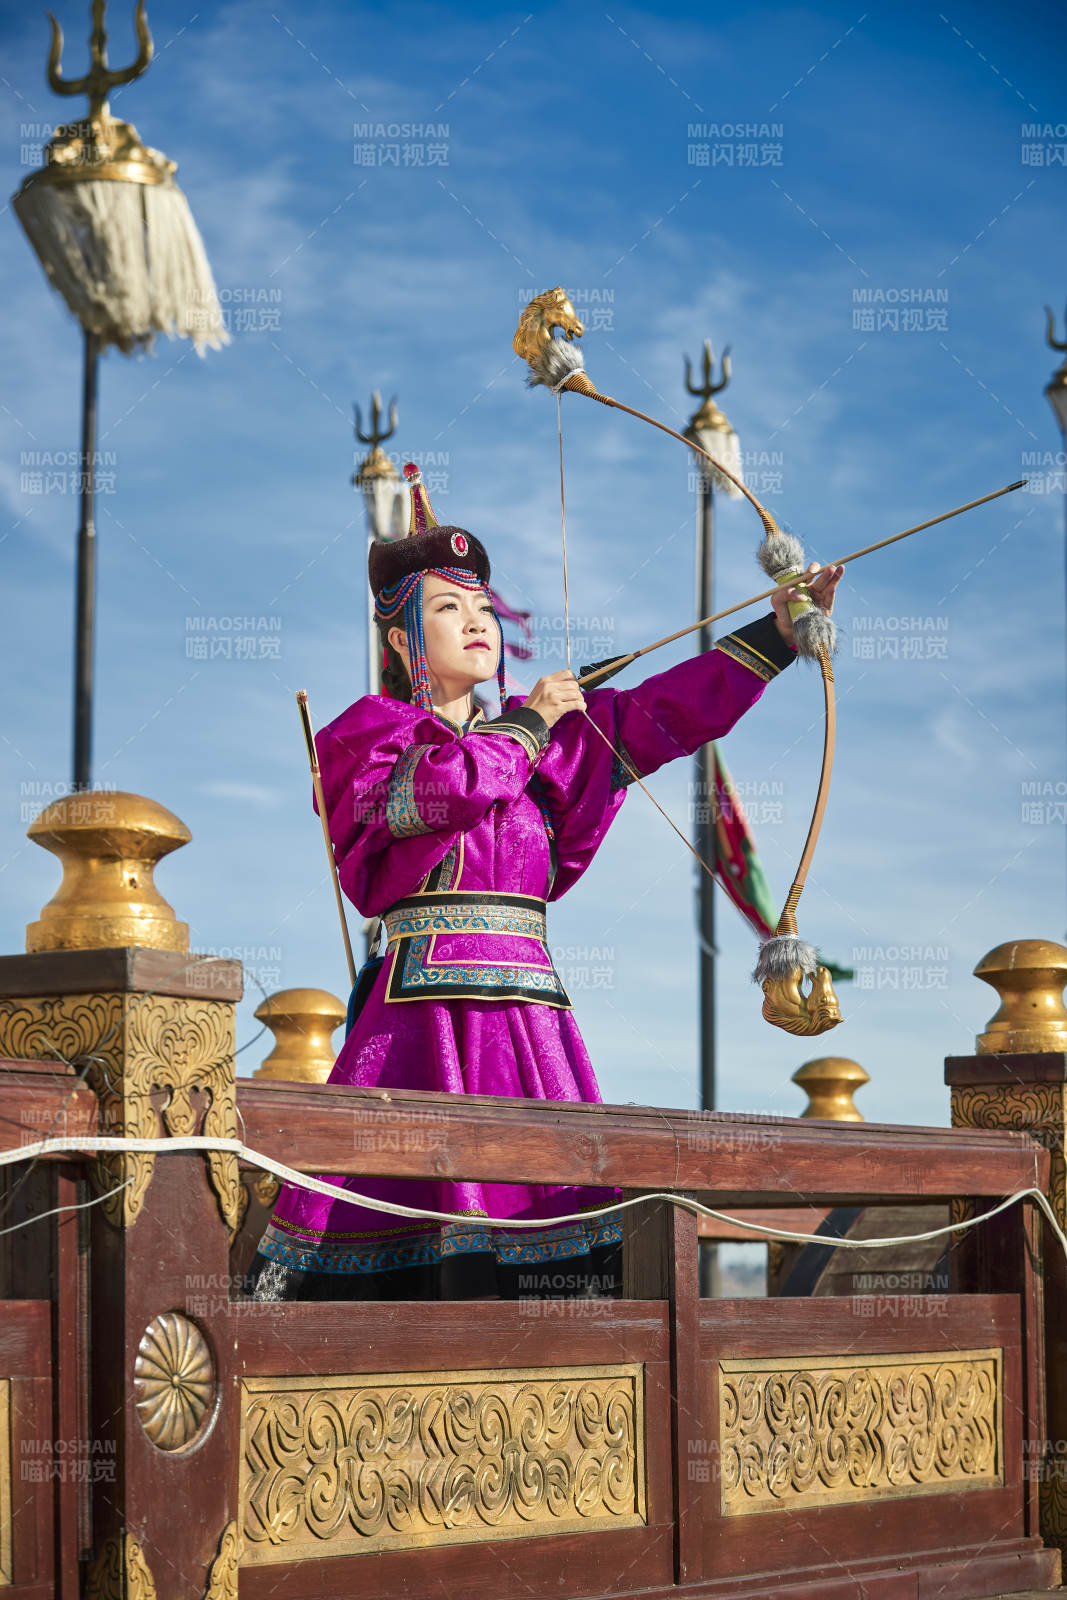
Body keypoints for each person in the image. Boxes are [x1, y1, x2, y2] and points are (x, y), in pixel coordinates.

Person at [249, 464, 841, 1302]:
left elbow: (660, 715)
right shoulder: (370, 732)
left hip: (533, 1021)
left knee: (558, 1236)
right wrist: (530, 721)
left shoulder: (539, 741)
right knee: (410, 1225)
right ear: (399, 638)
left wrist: (777, 636)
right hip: (421, 1018)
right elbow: (435, 795)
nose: (476, 623)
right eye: (447, 609)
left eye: (483, 607)